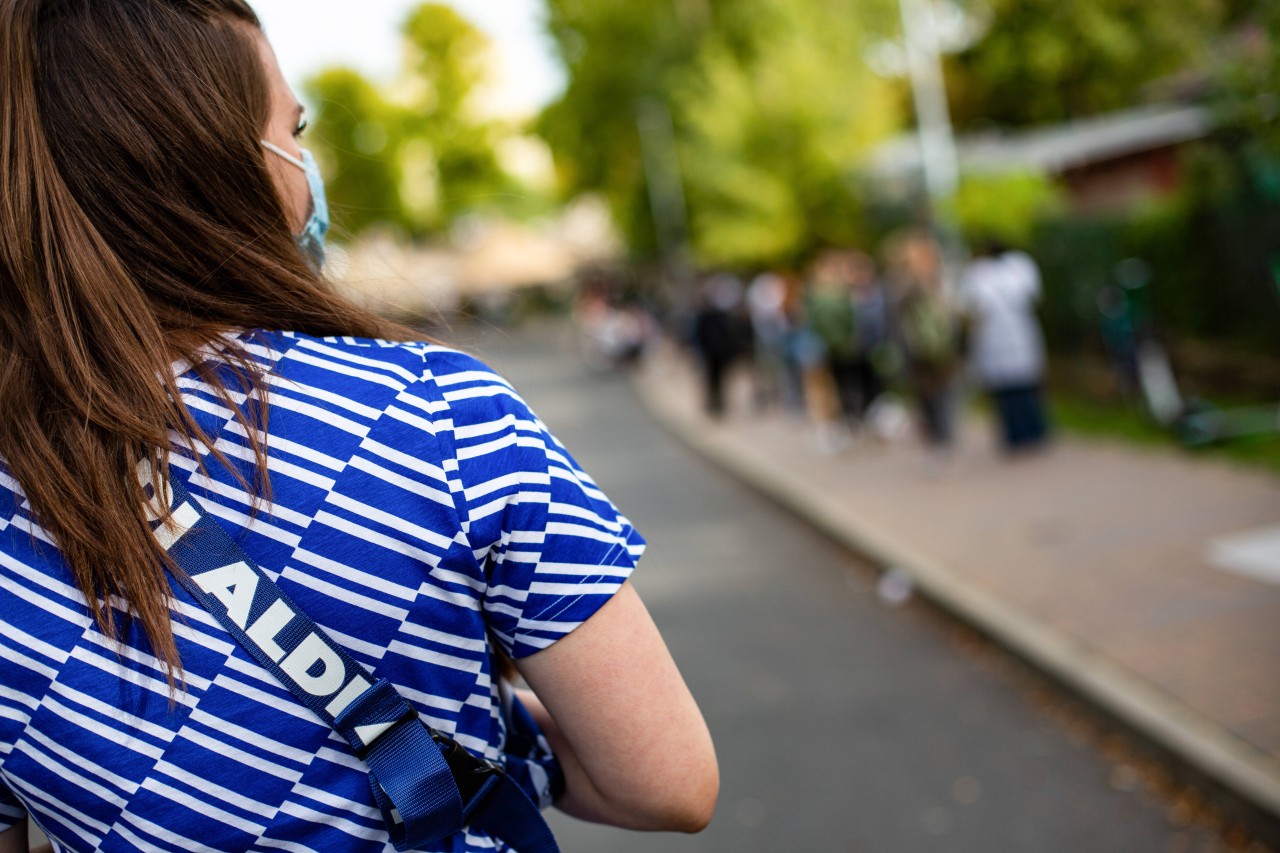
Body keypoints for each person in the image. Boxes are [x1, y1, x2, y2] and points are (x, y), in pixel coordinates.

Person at [0, 2, 718, 852]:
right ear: (219, 166)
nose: (306, 161)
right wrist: (476, 741)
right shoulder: (438, 413)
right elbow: (669, 778)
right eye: (292, 128)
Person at [960, 240, 1051, 452]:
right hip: (1010, 334)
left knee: (1014, 388)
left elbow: (970, 307)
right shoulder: (1018, 267)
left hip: (1000, 335)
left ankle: (1020, 435)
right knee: (1020, 386)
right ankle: (1030, 433)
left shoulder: (979, 274)